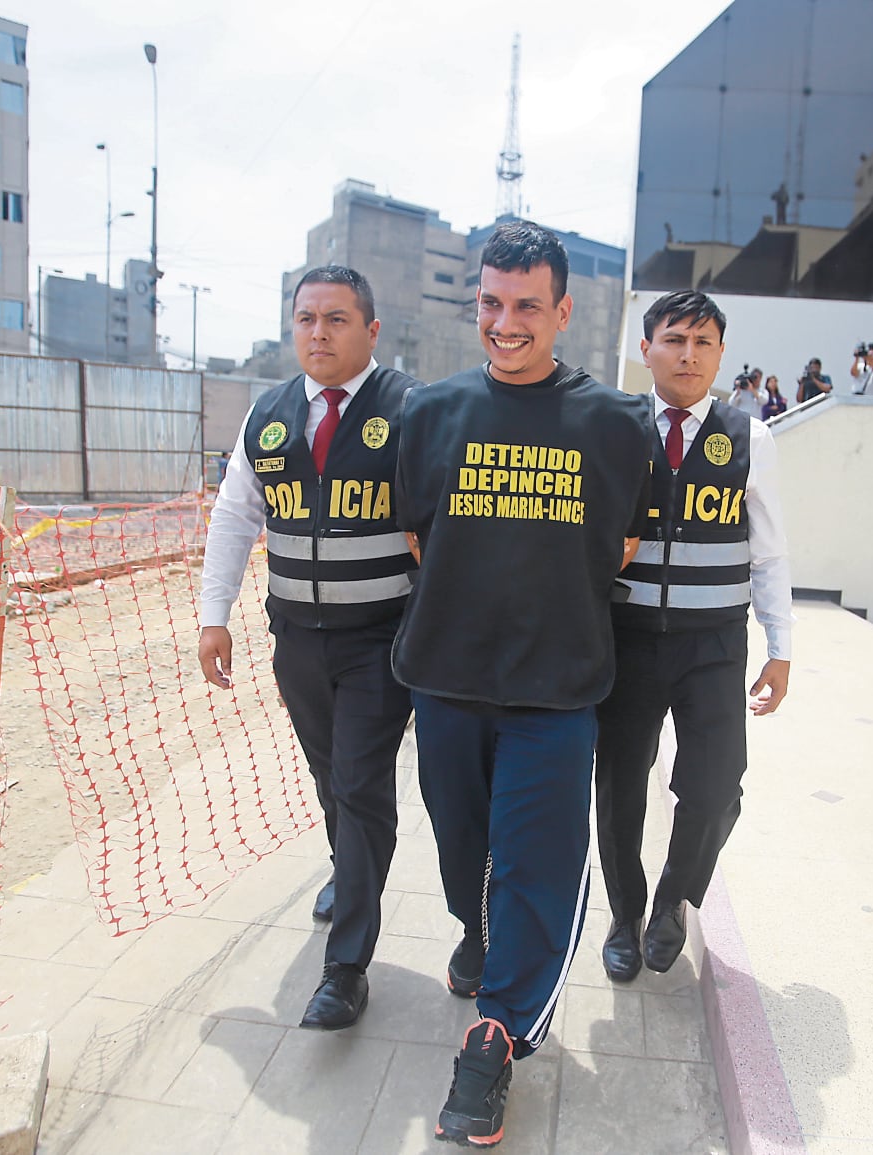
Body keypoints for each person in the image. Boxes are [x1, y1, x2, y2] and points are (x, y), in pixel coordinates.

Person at [390, 220, 652, 1147]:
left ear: (563, 311)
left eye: (526, 305)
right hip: (446, 680)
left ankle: (496, 1036)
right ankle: (473, 925)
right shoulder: (428, 413)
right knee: (465, 849)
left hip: (557, 689)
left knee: (536, 868)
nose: (506, 323)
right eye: (492, 304)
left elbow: (622, 542)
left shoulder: (618, 425)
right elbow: (421, 536)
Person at [198, 265, 421, 1031]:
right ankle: (349, 867)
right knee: (331, 774)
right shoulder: (267, 416)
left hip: (380, 642)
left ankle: (347, 964)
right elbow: (234, 518)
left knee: (361, 783)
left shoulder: (410, 411)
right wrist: (212, 615)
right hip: (295, 638)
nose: (317, 334)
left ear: (370, 331)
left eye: (335, 320)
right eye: (305, 320)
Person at [595, 290, 792, 983]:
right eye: (674, 339)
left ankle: (675, 897)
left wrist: (781, 647)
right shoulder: (614, 428)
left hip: (713, 644)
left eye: (703, 342)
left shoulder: (750, 438)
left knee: (715, 786)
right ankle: (625, 911)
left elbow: (767, 553)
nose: (688, 354)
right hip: (627, 637)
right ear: (646, 349)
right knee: (619, 784)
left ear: (720, 354)